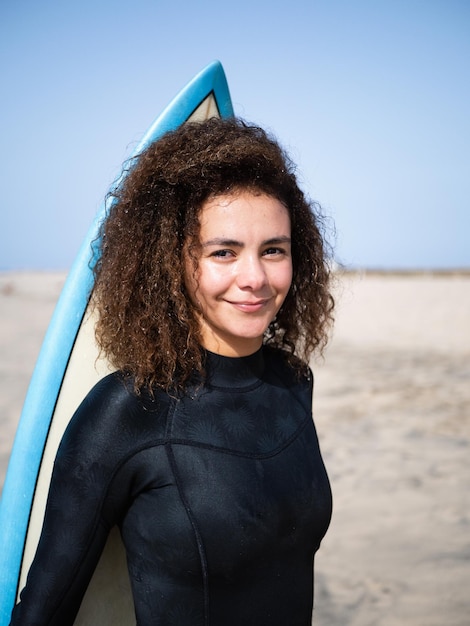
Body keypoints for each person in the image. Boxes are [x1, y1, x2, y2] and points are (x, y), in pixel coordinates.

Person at [10, 117, 334, 625]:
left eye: (273, 250)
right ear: (172, 262)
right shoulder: (126, 410)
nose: (254, 278)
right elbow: (44, 610)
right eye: (223, 253)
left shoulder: (293, 383)